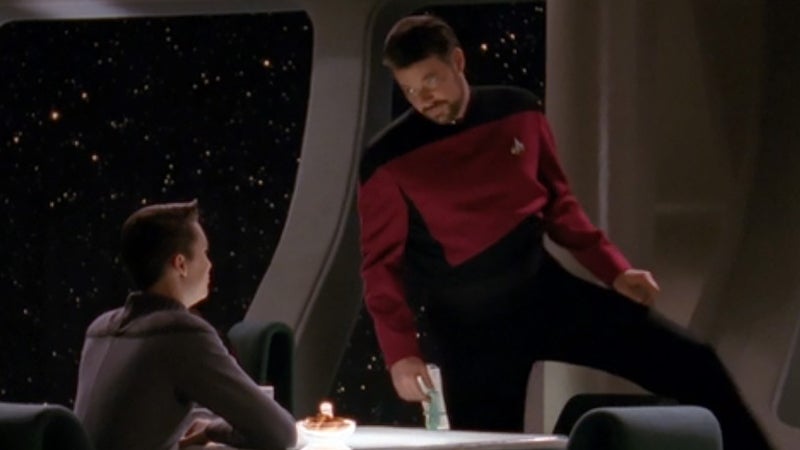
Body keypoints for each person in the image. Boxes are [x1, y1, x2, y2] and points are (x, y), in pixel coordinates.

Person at [357, 14, 773, 449]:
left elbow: (560, 206)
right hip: (470, 332)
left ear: (458, 61)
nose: (424, 99)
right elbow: (380, 268)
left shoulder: (519, 111)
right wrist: (401, 354)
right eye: (410, 90)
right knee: (488, 447)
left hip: (546, 292)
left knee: (695, 364)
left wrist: (615, 271)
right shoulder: (386, 159)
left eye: (431, 81)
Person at [73, 200, 297, 450]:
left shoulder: (99, 330)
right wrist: (211, 430)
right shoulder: (181, 333)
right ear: (180, 264)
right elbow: (280, 433)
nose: (210, 264)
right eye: (205, 253)